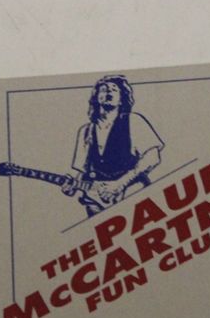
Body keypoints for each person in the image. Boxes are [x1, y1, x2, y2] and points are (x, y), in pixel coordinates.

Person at [63, 75, 163, 214]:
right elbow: (81, 170)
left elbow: (152, 157)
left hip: (132, 192)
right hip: (96, 199)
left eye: (114, 89)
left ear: (122, 98)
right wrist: (72, 186)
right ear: (97, 98)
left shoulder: (133, 120)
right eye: (104, 89)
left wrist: (119, 184)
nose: (109, 92)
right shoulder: (86, 130)